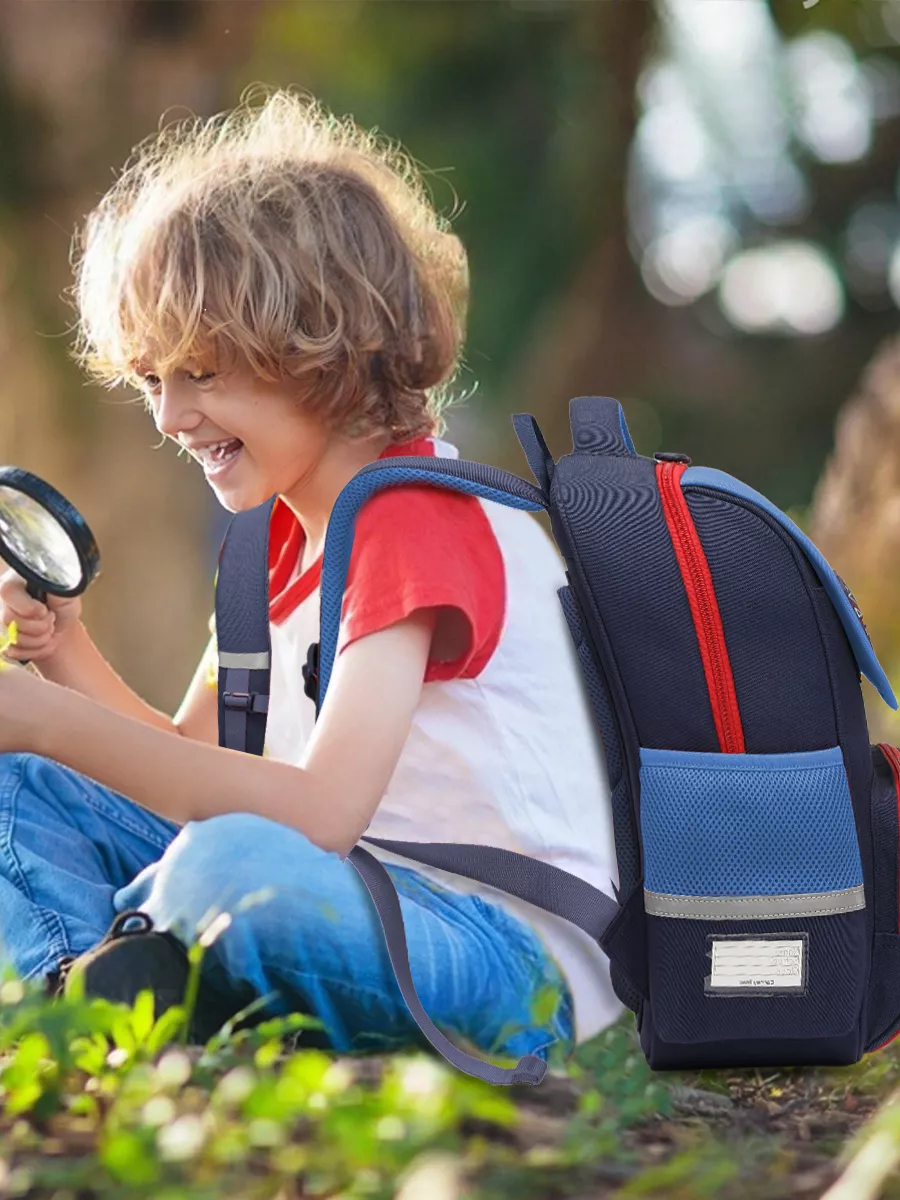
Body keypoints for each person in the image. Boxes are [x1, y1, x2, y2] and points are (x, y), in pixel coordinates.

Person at [0, 86, 622, 1064]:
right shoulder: (272, 545)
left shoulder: (411, 517)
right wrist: (62, 657)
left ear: (321, 348)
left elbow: (324, 810)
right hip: (352, 896)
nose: (169, 417)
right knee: (24, 780)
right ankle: (83, 991)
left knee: (229, 866)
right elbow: (185, 772)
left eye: (201, 373)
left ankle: (134, 982)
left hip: (503, 954)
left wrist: (49, 718)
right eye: (153, 379)